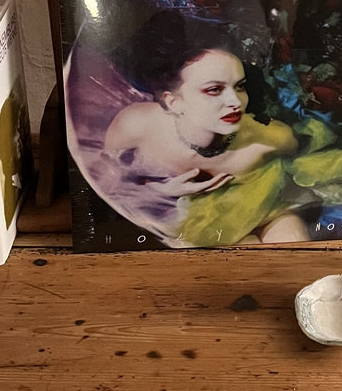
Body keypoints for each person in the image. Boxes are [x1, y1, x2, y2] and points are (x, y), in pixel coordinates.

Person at [102, 15, 310, 245]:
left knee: (291, 240)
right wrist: (157, 192)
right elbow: (104, 185)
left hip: (264, 213)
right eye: (214, 90)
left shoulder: (269, 140)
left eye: (239, 87)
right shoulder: (135, 124)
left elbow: (303, 173)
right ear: (173, 102)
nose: (235, 102)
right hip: (172, 225)